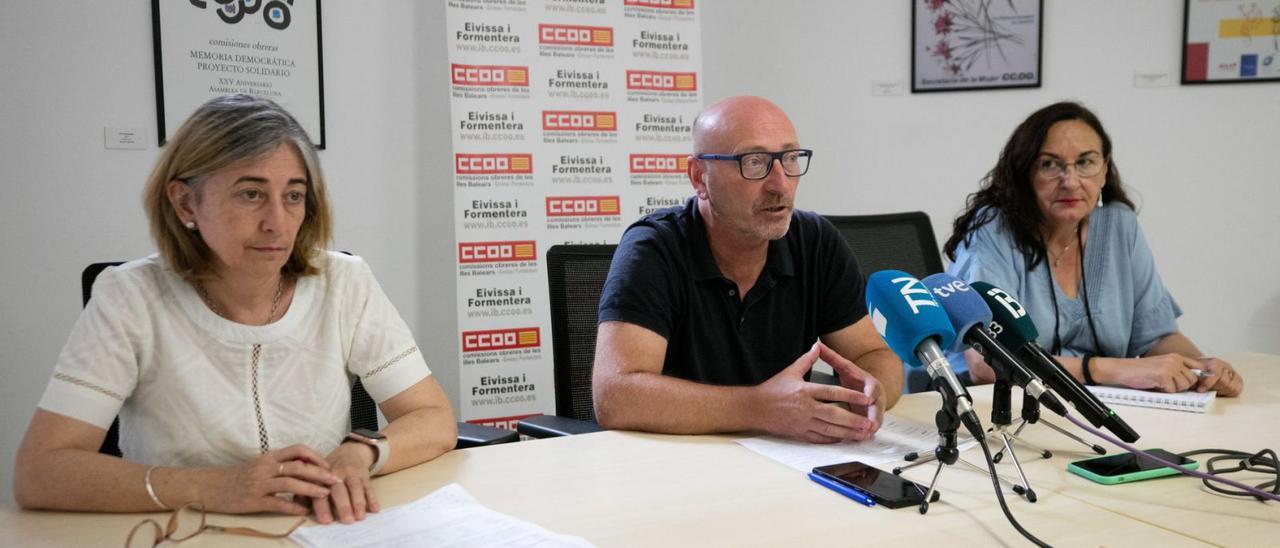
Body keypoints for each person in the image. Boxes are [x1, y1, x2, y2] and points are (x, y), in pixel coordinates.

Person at [13, 95, 457, 523]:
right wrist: (217, 488)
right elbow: (40, 471)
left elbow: (433, 419)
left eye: (293, 196)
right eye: (250, 194)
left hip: (320, 529)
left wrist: (361, 453)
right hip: (186, 531)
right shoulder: (129, 298)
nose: (277, 223)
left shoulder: (343, 282)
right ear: (186, 202)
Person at [592, 96, 904, 444]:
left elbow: (873, 355)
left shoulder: (816, 242)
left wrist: (873, 391)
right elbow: (615, 396)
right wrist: (761, 408)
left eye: (789, 159)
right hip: (676, 463)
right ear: (699, 177)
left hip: (787, 459)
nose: (780, 184)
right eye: (754, 162)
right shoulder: (655, 248)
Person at [943, 101, 1243, 396]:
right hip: (989, 403)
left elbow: (1158, 336)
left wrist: (1201, 371)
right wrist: (1112, 370)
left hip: (1099, 405)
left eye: (1085, 162)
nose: (1070, 181)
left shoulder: (1118, 225)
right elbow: (986, 363)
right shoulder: (992, 232)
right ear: (1025, 174)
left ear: (1104, 169)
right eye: (1049, 165)